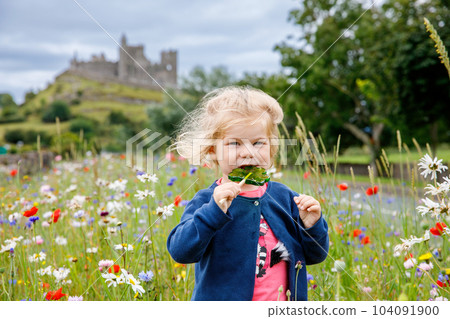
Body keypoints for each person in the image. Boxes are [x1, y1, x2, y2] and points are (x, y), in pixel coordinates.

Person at [167, 86, 329, 301]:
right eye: (234, 143)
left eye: (258, 143)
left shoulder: (285, 198)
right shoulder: (207, 201)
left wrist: (311, 226)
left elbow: (315, 255)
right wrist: (213, 213)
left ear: (271, 148)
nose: (248, 152)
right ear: (213, 150)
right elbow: (181, 252)